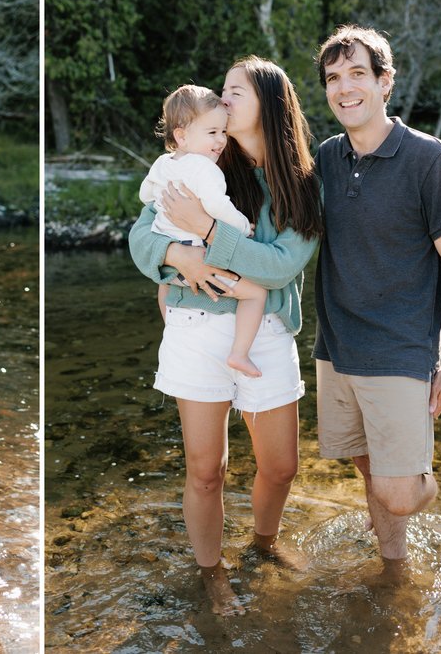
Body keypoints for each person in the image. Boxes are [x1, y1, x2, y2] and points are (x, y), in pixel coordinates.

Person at [130, 56, 323, 616]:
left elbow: (281, 266)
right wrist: (177, 258)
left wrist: (208, 232)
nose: (224, 99)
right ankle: (212, 574)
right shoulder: (202, 162)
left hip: (265, 327)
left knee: (281, 464)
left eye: (235, 91)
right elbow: (143, 236)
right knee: (206, 469)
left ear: (267, 102)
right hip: (196, 323)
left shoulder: (301, 183)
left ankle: (263, 544)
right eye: (222, 92)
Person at [312, 25, 441, 575]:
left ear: (385, 83)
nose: (345, 88)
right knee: (368, 469)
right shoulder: (327, 160)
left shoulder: (429, 160)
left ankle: (410, 479)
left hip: (400, 350)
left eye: (358, 73)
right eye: (334, 78)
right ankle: (394, 570)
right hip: (336, 349)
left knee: (398, 492)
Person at [139, 84, 266, 377]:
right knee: (255, 294)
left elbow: (146, 195)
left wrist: (163, 202)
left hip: (173, 262)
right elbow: (218, 206)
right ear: (181, 135)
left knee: (164, 287)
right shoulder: (206, 169)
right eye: (212, 133)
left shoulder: (162, 163)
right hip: (202, 257)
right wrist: (243, 226)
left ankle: (170, 329)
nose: (221, 140)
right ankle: (240, 353)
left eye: (223, 131)